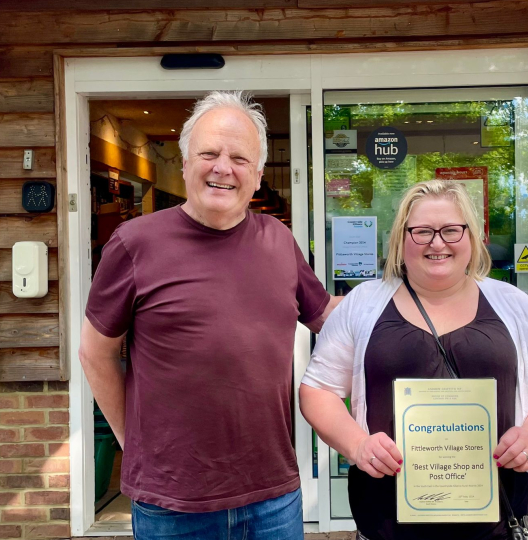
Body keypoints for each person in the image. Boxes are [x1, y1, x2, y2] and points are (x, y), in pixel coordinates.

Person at [79, 91, 340, 540]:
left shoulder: (278, 240)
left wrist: (416, 296)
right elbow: (95, 354)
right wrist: (136, 446)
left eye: (240, 158)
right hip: (173, 503)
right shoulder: (134, 243)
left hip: (273, 495)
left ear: (257, 176)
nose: (223, 167)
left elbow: (330, 320)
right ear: (184, 164)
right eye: (209, 153)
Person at [300, 180, 528, 540]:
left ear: (472, 237)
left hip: (501, 520)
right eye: (422, 231)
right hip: (388, 520)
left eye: (451, 230)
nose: (437, 242)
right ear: (401, 238)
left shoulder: (513, 305)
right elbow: (318, 390)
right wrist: (356, 444)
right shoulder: (363, 304)